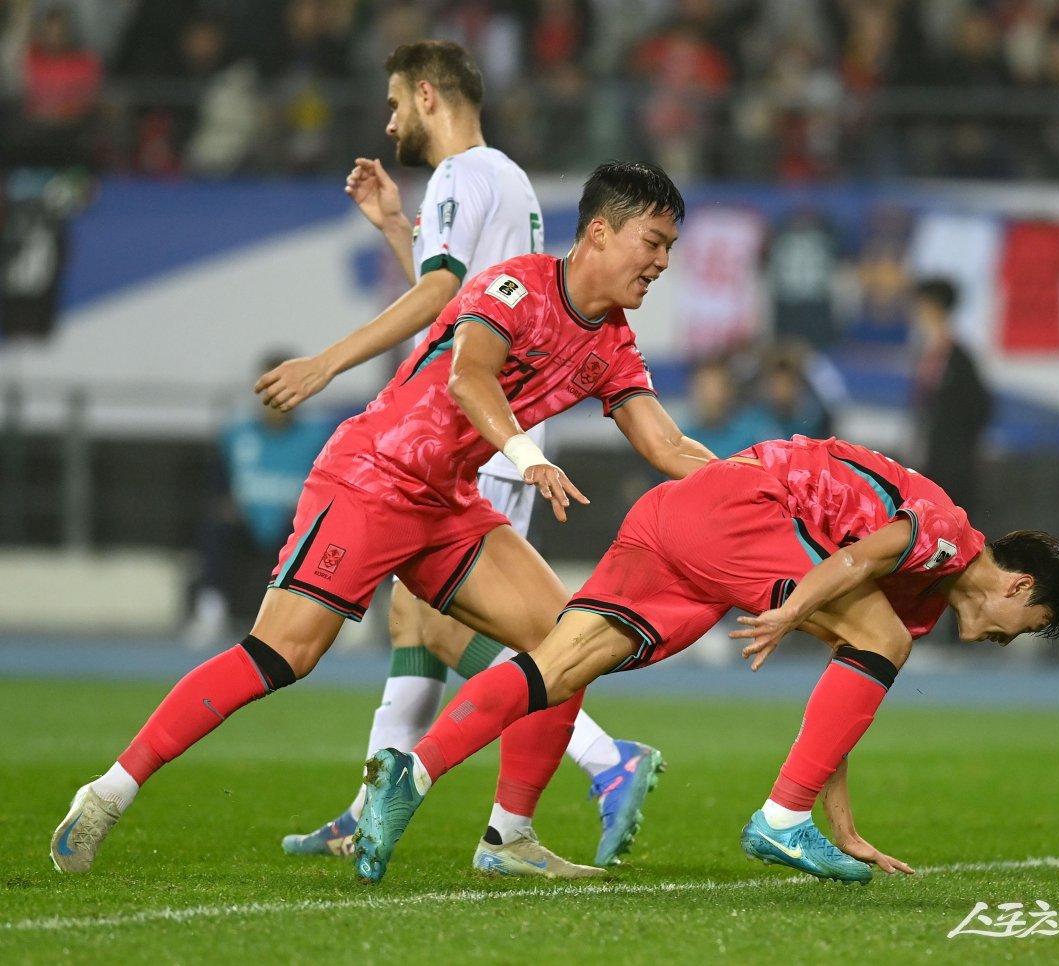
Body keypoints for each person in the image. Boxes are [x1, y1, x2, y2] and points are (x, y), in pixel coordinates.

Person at [50, 158, 715, 879]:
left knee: (566, 639)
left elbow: (665, 444)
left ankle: (509, 839)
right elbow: (469, 376)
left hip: (447, 502)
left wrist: (764, 484)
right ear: (598, 232)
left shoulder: (612, 339)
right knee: (285, 655)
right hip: (373, 477)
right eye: (652, 242)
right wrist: (527, 456)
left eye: (669, 248)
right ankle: (109, 791)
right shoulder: (516, 284)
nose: (661, 262)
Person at [254, 40, 666, 868]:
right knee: (416, 625)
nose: (390, 118)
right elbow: (465, 299)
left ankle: (602, 756)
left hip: (473, 433)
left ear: (430, 95)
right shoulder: (505, 177)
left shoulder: (455, 178)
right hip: (493, 428)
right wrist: (398, 229)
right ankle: (369, 802)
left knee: (446, 631)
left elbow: (444, 297)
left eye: (396, 101)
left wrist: (326, 363)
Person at [354, 435, 1059, 885]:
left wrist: (844, 826)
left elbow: (842, 699)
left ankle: (422, 780)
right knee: (878, 645)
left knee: (557, 666)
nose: (1003, 639)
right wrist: (793, 609)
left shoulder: (914, 605)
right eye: (1022, 625)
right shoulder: (947, 535)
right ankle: (780, 822)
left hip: (683, 516)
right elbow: (858, 557)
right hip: (744, 509)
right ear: (1018, 584)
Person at [184, 350, 337, 646]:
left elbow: (334, 489)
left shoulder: (319, 435)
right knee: (216, 527)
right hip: (245, 520)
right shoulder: (237, 433)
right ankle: (211, 608)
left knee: (328, 533)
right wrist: (228, 505)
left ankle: (332, 616)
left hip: (294, 524)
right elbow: (216, 487)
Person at [908, 277, 992, 517]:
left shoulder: (958, 357)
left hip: (954, 464)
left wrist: (960, 449)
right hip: (929, 460)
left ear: (934, 307)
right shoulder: (925, 352)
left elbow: (980, 408)